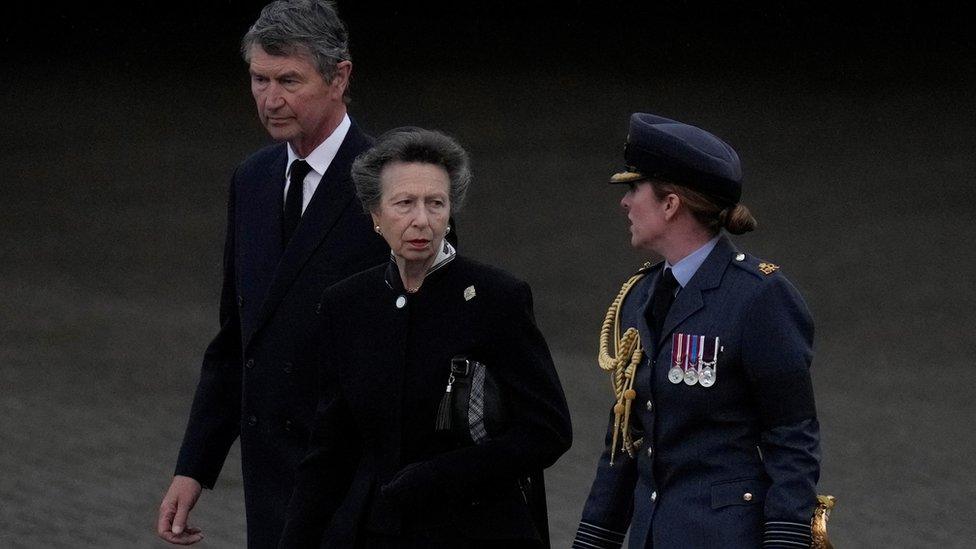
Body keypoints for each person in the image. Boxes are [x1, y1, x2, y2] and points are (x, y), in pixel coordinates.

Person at [155, 2, 391, 546]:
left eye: (289, 80)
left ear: (340, 77)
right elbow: (238, 338)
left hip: (361, 488)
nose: (270, 98)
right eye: (259, 79)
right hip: (273, 487)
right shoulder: (254, 180)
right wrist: (194, 466)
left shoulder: (394, 182)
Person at [277, 128, 572, 548]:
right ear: (375, 215)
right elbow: (330, 449)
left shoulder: (496, 298)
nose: (422, 220)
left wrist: (444, 474)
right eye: (404, 204)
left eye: (436, 203)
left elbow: (548, 430)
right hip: (379, 531)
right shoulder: (348, 304)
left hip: (478, 531)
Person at [573, 113, 821, 549]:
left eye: (634, 188)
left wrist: (785, 540)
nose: (625, 203)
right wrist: (595, 539)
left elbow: (791, 437)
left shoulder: (758, 297)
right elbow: (627, 435)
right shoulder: (641, 295)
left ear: (670, 204)